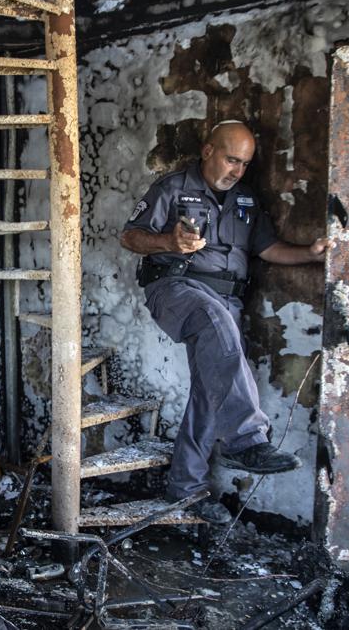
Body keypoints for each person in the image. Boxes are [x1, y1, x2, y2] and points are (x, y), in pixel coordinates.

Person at [119, 120, 326, 524]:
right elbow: (130, 236)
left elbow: (270, 250)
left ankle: (186, 491)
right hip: (176, 288)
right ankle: (246, 439)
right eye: (232, 159)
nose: (237, 170)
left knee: (211, 388)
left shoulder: (245, 201)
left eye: (245, 164)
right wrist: (168, 242)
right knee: (215, 325)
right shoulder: (172, 188)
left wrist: (313, 254)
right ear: (208, 150)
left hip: (226, 300)